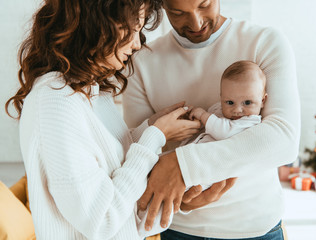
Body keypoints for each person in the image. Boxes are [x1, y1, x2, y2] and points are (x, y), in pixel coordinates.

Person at [4, 0, 209, 239]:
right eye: (131, 29)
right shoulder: (55, 101)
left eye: (139, 31)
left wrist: (149, 130)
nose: (136, 44)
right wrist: (154, 137)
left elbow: (113, 184)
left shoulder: (89, 91)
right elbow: (100, 222)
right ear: (97, 24)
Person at [123, 0, 301, 239]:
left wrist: (182, 165)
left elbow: (283, 140)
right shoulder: (141, 62)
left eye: (204, 4)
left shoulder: (265, 42)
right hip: (176, 228)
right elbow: (134, 153)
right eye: (177, 13)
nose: (196, 22)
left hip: (255, 228)